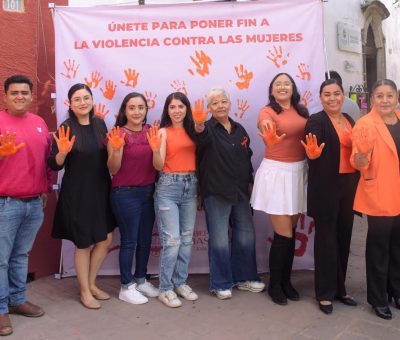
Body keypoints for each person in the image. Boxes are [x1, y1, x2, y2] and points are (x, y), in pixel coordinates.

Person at [48, 83, 115, 310]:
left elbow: (106, 155)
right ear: (70, 104)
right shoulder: (66, 128)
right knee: (83, 243)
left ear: (92, 100)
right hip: (77, 193)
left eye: (86, 98)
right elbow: (54, 165)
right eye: (77, 99)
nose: (83, 102)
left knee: (105, 239)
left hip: (101, 190)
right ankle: (85, 291)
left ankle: (92, 283)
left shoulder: (100, 123)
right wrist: (62, 153)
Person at [194, 88, 265, 300]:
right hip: (216, 192)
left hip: (241, 191)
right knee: (219, 240)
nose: (220, 106)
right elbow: (199, 139)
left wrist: (250, 183)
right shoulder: (206, 129)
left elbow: (247, 156)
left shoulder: (239, 129)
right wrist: (198, 125)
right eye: (214, 103)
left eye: (223, 101)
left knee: (246, 235)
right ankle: (221, 283)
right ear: (208, 109)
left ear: (230, 104)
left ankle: (244, 278)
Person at [251, 73, 308, 306]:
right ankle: (276, 285)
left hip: (298, 171)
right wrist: (269, 138)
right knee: (283, 233)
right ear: (272, 91)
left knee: (291, 231)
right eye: (278, 84)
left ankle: (286, 281)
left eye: (287, 83)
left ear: (293, 88)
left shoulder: (302, 111)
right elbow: (265, 127)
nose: (282, 87)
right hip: (277, 173)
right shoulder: (267, 112)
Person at [303, 78, 359, 314]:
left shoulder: (349, 120)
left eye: (336, 93)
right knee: (326, 241)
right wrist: (313, 155)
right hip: (326, 186)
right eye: (327, 94)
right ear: (321, 97)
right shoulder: (316, 121)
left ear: (343, 95)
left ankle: (339, 289)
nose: (332, 98)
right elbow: (311, 149)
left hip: (349, 185)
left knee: (344, 237)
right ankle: (324, 293)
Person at [0, 75, 50, 336]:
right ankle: (0, 310)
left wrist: (45, 187)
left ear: (31, 96)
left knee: (20, 256)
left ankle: (17, 300)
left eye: (24, 92)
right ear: (5, 95)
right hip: (5, 203)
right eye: (14, 92)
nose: (20, 96)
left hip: (34, 203)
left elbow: (45, 160)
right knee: (1, 260)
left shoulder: (39, 123)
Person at [351, 79, 400, 320]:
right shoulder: (365, 124)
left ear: (396, 98)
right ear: (372, 100)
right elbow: (358, 163)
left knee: (398, 246)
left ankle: (396, 290)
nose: (385, 100)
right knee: (379, 248)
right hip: (380, 193)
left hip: (399, 192)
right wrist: (361, 153)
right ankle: (378, 298)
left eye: (389, 96)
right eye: (379, 96)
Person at [147, 92, 199, 308]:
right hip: (169, 186)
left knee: (187, 239)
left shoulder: (193, 131)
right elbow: (158, 166)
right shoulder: (162, 132)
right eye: (172, 107)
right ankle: (165, 288)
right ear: (167, 110)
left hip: (191, 184)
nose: (177, 110)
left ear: (187, 108)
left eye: (180, 106)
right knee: (173, 241)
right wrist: (154, 150)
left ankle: (180, 282)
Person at [107, 92, 159, 305]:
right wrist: (117, 149)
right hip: (125, 193)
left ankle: (140, 278)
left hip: (149, 192)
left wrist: (156, 148)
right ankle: (126, 286)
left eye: (140, 107)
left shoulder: (152, 132)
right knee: (130, 241)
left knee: (146, 240)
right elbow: (113, 168)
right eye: (132, 107)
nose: (137, 111)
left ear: (146, 110)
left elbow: (158, 164)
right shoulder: (116, 133)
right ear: (124, 111)